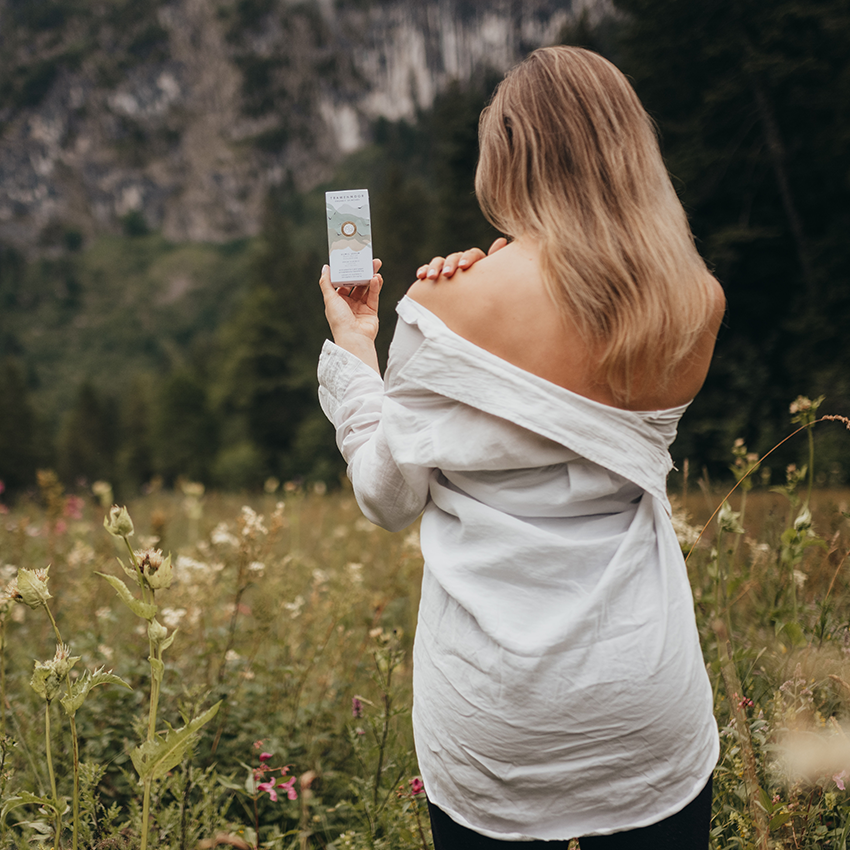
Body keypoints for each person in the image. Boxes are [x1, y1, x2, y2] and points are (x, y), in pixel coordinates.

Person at [317, 46, 725, 849]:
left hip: (494, 716)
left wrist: (355, 347)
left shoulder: (444, 305)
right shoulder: (692, 303)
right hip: (645, 697)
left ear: (509, 152)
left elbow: (387, 497)